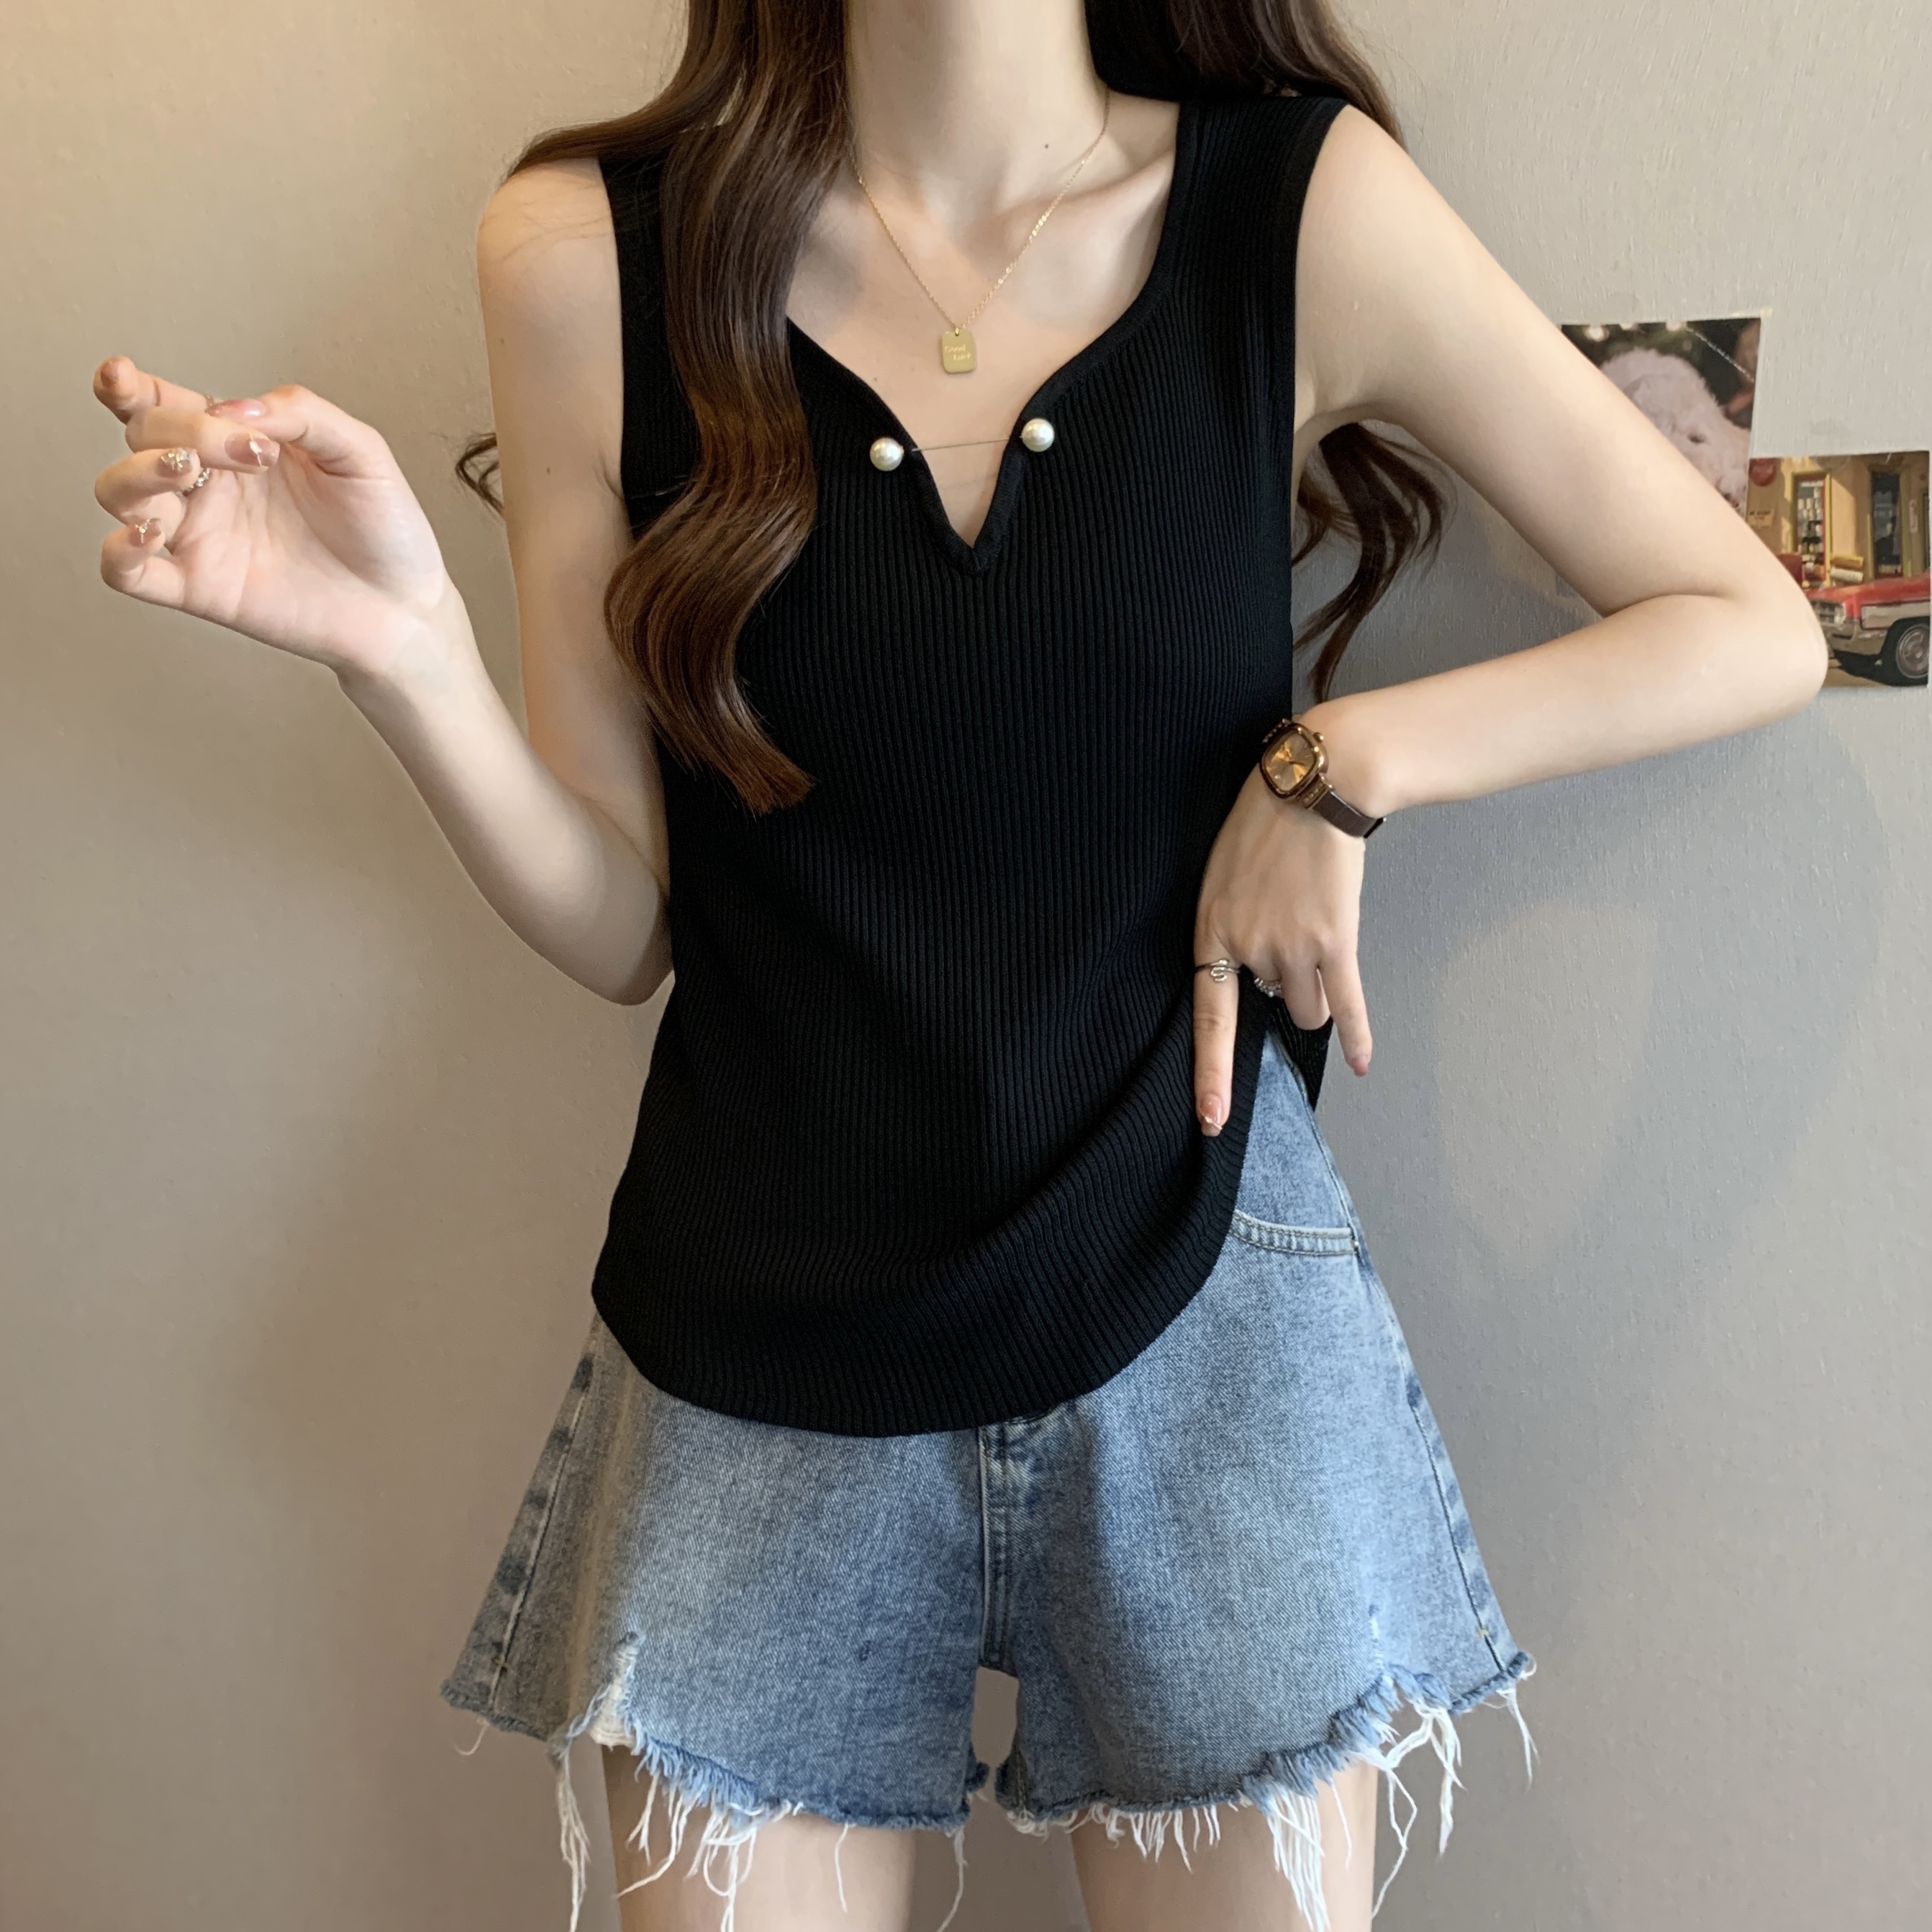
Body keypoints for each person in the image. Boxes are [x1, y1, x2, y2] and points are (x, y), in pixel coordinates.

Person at [88, 2, 1825, 1928]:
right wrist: (404, 652)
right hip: (758, 1334)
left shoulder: (1297, 208)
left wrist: (1343, 763)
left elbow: (1742, 621)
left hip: (1202, 1294)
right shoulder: (589, 254)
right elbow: (630, 923)